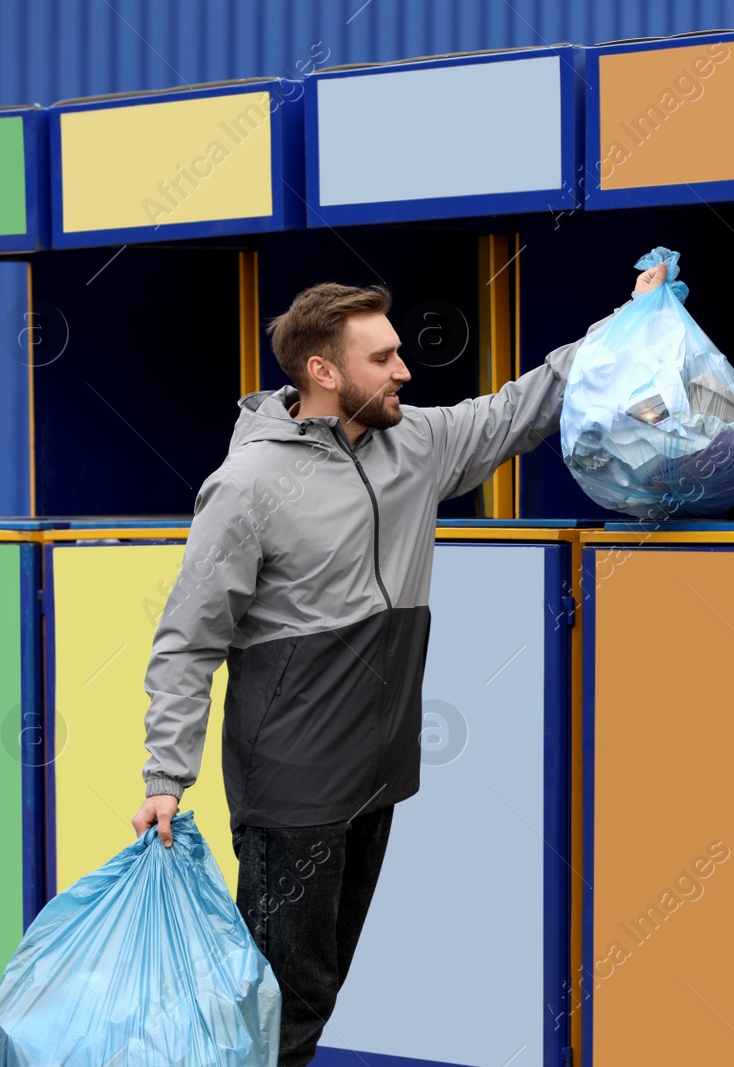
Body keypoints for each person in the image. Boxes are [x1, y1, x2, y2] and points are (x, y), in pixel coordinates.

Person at [130, 260, 667, 1066]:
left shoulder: (413, 442)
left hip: (376, 776)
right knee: (284, 1003)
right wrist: (165, 776)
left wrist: (632, 320)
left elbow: (523, 405)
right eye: (381, 358)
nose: (404, 370)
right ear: (322, 371)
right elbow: (188, 635)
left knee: (318, 987)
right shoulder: (246, 485)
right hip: (292, 788)